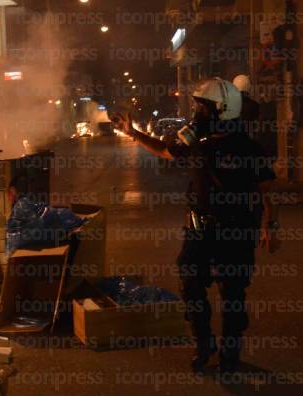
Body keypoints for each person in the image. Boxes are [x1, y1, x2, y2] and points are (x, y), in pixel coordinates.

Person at [113, 78, 281, 373]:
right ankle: (204, 345)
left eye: (202, 108)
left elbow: (265, 189)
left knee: (232, 294)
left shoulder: (247, 148)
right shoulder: (197, 143)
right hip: (199, 228)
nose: (196, 114)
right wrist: (133, 133)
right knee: (190, 285)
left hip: (237, 231)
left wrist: (271, 225)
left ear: (222, 109)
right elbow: (166, 151)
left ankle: (231, 353)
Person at [6, 176, 85, 257]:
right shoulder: (23, 208)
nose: (8, 199)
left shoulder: (21, 206)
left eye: (8, 194)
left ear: (12, 191)